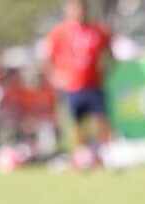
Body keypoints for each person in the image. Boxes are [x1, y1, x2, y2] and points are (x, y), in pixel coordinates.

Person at [43, 0, 112, 169]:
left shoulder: (97, 30)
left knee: (101, 121)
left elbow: (109, 54)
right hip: (72, 87)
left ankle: (106, 156)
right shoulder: (58, 32)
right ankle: (81, 158)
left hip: (94, 85)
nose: (77, 12)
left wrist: (106, 71)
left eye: (79, 8)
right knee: (76, 123)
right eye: (73, 8)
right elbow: (47, 59)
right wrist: (56, 77)